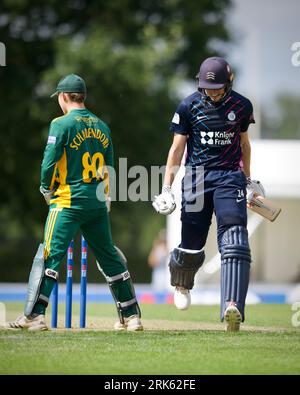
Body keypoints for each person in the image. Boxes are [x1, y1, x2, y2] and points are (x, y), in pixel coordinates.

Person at [7, 74, 143, 331]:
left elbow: (49, 160)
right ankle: (131, 317)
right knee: (108, 256)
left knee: (49, 256)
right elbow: (110, 167)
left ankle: (35, 316)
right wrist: (107, 196)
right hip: (97, 203)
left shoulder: (60, 124)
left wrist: (45, 188)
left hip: (67, 201)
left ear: (64, 97)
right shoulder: (102, 126)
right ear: (83, 96)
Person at [153, 57, 264, 331]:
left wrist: (249, 180)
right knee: (192, 243)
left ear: (229, 82)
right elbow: (177, 149)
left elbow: (244, 145)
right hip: (196, 177)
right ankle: (181, 284)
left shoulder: (242, 105)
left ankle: (232, 306)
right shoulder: (188, 105)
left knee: (235, 238)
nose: (212, 92)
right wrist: (166, 187)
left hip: (229, 176)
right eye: (207, 87)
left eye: (217, 88)